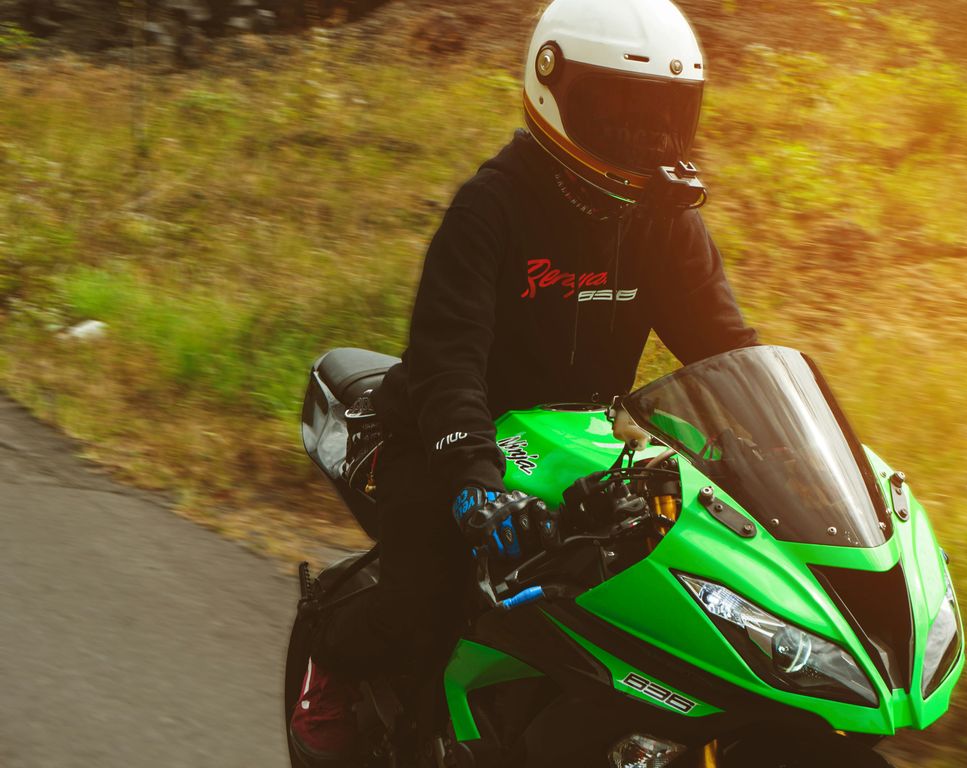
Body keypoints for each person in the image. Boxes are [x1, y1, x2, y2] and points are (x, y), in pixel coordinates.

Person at [288, 0, 758, 762]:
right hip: (453, 433)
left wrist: (772, 460)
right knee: (427, 589)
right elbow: (449, 356)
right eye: (620, 112)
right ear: (552, 88)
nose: (643, 138)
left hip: (575, 443)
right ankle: (332, 661)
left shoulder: (664, 220)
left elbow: (726, 351)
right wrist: (473, 478)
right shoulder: (494, 206)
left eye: (662, 115)